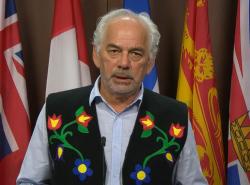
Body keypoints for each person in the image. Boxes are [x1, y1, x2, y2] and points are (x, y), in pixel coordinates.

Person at [17, 9, 207, 185]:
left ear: (149, 63)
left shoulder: (175, 117)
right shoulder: (56, 110)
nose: (124, 63)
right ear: (97, 55)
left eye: (135, 53)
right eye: (114, 51)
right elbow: (29, 181)